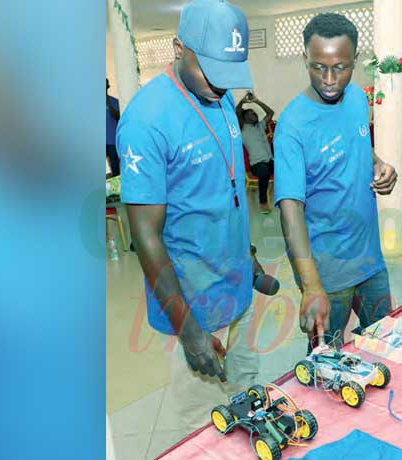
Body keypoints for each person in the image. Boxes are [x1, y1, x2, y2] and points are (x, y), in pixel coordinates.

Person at [116, 0, 259, 432]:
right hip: (193, 305)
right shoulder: (146, 120)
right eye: (211, 70)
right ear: (179, 48)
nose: (221, 85)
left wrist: (246, 255)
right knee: (204, 426)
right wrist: (189, 329)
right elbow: (145, 235)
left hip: (238, 289)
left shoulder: (221, 94)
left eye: (229, 72)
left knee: (250, 400)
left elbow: (224, 187)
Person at [273, 13, 399, 352]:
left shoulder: (358, 98)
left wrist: (380, 165)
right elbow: (290, 210)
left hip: (370, 260)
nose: (329, 79)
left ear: (355, 61)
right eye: (318, 67)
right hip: (327, 274)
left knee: (385, 347)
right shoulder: (292, 125)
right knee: (327, 367)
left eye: (340, 68)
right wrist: (311, 285)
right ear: (305, 59)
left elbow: (357, 145)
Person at [235, 92, 275, 214]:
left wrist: (256, 101)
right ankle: (263, 202)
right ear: (244, 118)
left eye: (255, 113)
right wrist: (243, 101)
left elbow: (270, 113)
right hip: (257, 165)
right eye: (251, 114)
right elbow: (237, 111)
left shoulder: (261, 125)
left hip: (270, 161)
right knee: (264, 172)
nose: (255, 115)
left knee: (287, 167)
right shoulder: (243, 129)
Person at [106, 78, 121, 177]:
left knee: (115, 165)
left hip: (112, 140)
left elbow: (118, 116)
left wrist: (109, 104)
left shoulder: (114, 102)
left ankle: (116, 187)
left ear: (108, 87)